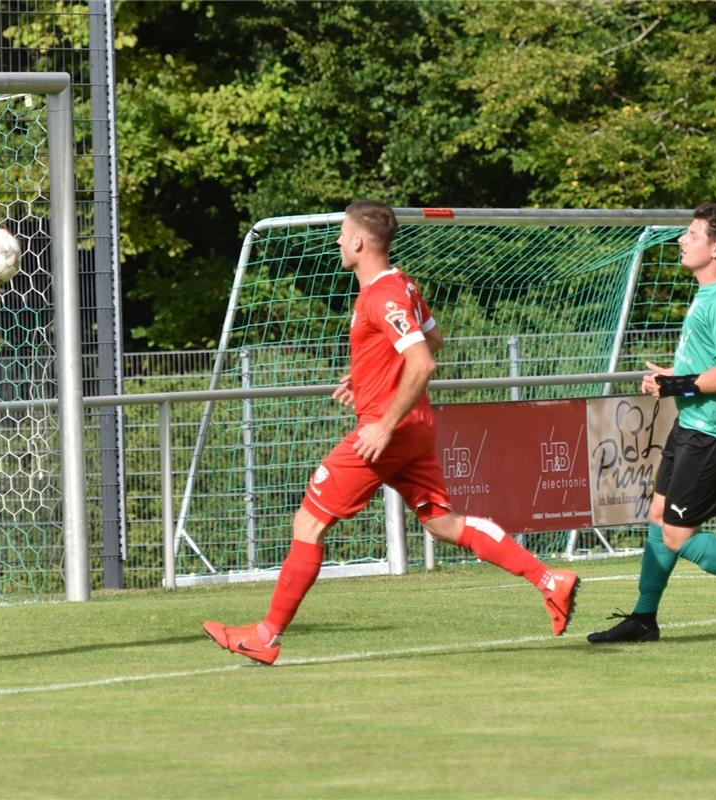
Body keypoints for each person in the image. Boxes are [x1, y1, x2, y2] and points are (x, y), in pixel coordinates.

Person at [202, 201, 581, 665]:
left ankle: (266, 635)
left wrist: (383, 422)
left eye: (343, 233)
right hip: (415, 427)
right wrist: (366, 377)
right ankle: (549, 580)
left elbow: (424, 360)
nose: (339, 241)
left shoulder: (381, 295)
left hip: (389, 431)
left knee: (309, 521)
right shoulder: (403, 284)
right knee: (442, 523)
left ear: (360, 242)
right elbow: (431, 339)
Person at [588, 203, 716, 644]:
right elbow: (708, 367)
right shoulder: (709, 293)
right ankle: (644, 619)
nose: (682, 241)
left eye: (692, 235)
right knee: (658, 517)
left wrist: (676, 383)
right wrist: (674, 378)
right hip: (692, 425)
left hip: (713, 433)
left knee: (679, 535)